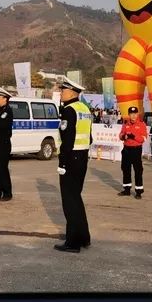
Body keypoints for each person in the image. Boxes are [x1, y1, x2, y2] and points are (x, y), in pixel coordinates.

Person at [55, 78, 92, 253]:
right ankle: (84, 237)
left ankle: (73, 242)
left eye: (63, 90)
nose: (61, 93)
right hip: (82, 156)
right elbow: (89, 137)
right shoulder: (85, 109)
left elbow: (67, 140)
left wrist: (62, 162)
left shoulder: (69, 111)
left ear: (71, 92)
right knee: (76, 198)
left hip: (71, 158)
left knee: (70, 201)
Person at [117, 106, 147, 198]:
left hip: (136, 150)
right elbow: (120, 135)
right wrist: (124, 136)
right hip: (126, 149)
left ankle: (138, 191)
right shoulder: (126, 124)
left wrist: (134, 136)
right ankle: (127, 189)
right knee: (126, 169)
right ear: (129, 115)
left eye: (135, 114)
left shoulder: (141, 124)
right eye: (131, 114)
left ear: (137, 114)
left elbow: (143, 139)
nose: (133, 116)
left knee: (138, 170)